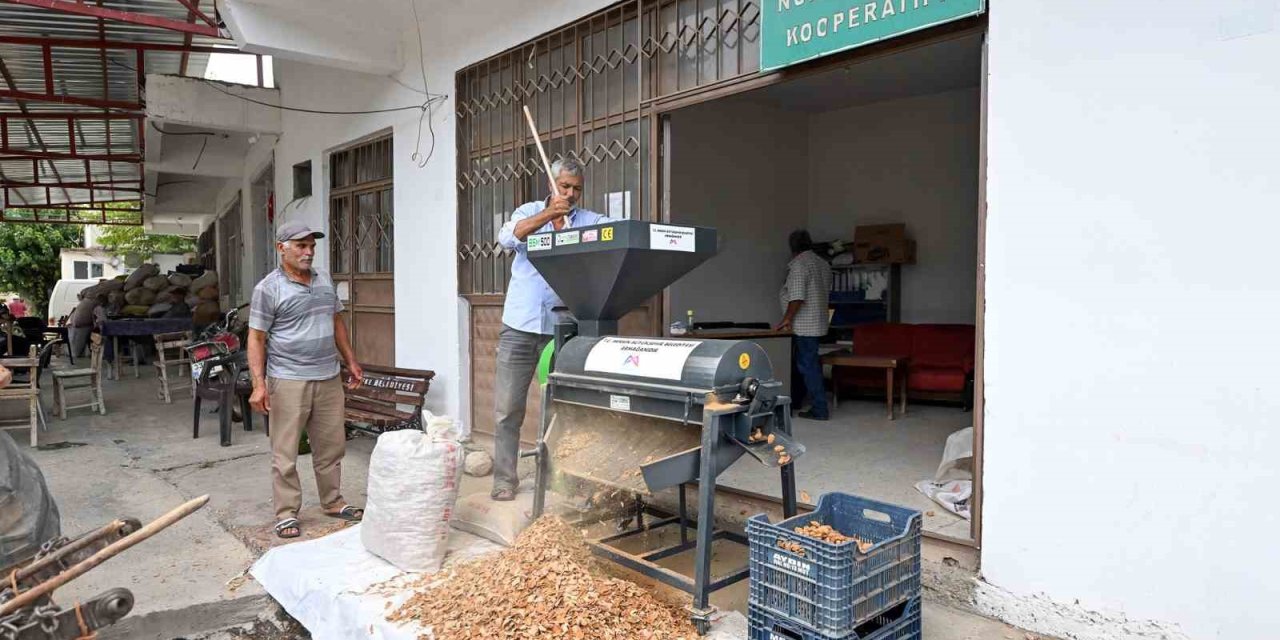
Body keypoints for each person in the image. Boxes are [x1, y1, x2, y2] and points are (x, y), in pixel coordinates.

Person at [491, 158, 612, 501]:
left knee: (560, 408)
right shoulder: (529, 211)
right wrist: (548, 215)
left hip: (562, 330)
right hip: (520, 326)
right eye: (565, 187)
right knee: (507, 409)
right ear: (551, 184)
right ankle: (504, 479)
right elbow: (506, 238)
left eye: (576, 188)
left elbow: (616, 231)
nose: (570, 194)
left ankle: (556, 478)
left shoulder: (587, 220)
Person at [248, 221, 365, 539]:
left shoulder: (324, 279)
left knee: (331, 446)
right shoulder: (268, 289)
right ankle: (286, 513)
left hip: (327, 376)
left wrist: (350, 360)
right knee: (285, 452)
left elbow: (336, 320)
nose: (309, 252)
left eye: (312, 245)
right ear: (281, 248)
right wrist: (259, 384)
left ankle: (333, 501)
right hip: (288, 379)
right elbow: (256, 338)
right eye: (301, 245)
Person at [774, 230, 833, 421]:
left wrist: (787, 318)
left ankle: (820, 409)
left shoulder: (800, 264)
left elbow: (797, 297)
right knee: (802, 363)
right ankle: (796, 401)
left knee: (808, 365)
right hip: (818, 321)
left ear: (792, 247)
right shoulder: (822, 263)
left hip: (804, 324)